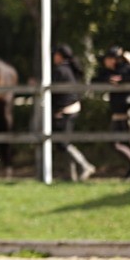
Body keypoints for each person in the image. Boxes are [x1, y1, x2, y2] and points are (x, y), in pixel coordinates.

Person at [50, 44, 95, 181]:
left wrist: (57, 110)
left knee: (63, 143)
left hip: (66, 110)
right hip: (71, 108)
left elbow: (56, 93)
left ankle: (85, 166)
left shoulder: (60, 70)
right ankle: (71, 175)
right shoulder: (69, 69)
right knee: (63, 143)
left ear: (59, 55)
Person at [101, 46, 130, 180]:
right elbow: (98, 79)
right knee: (119, 141)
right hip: (119, 112)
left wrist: (121, 81)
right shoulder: (110, 72)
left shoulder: (126, 70)